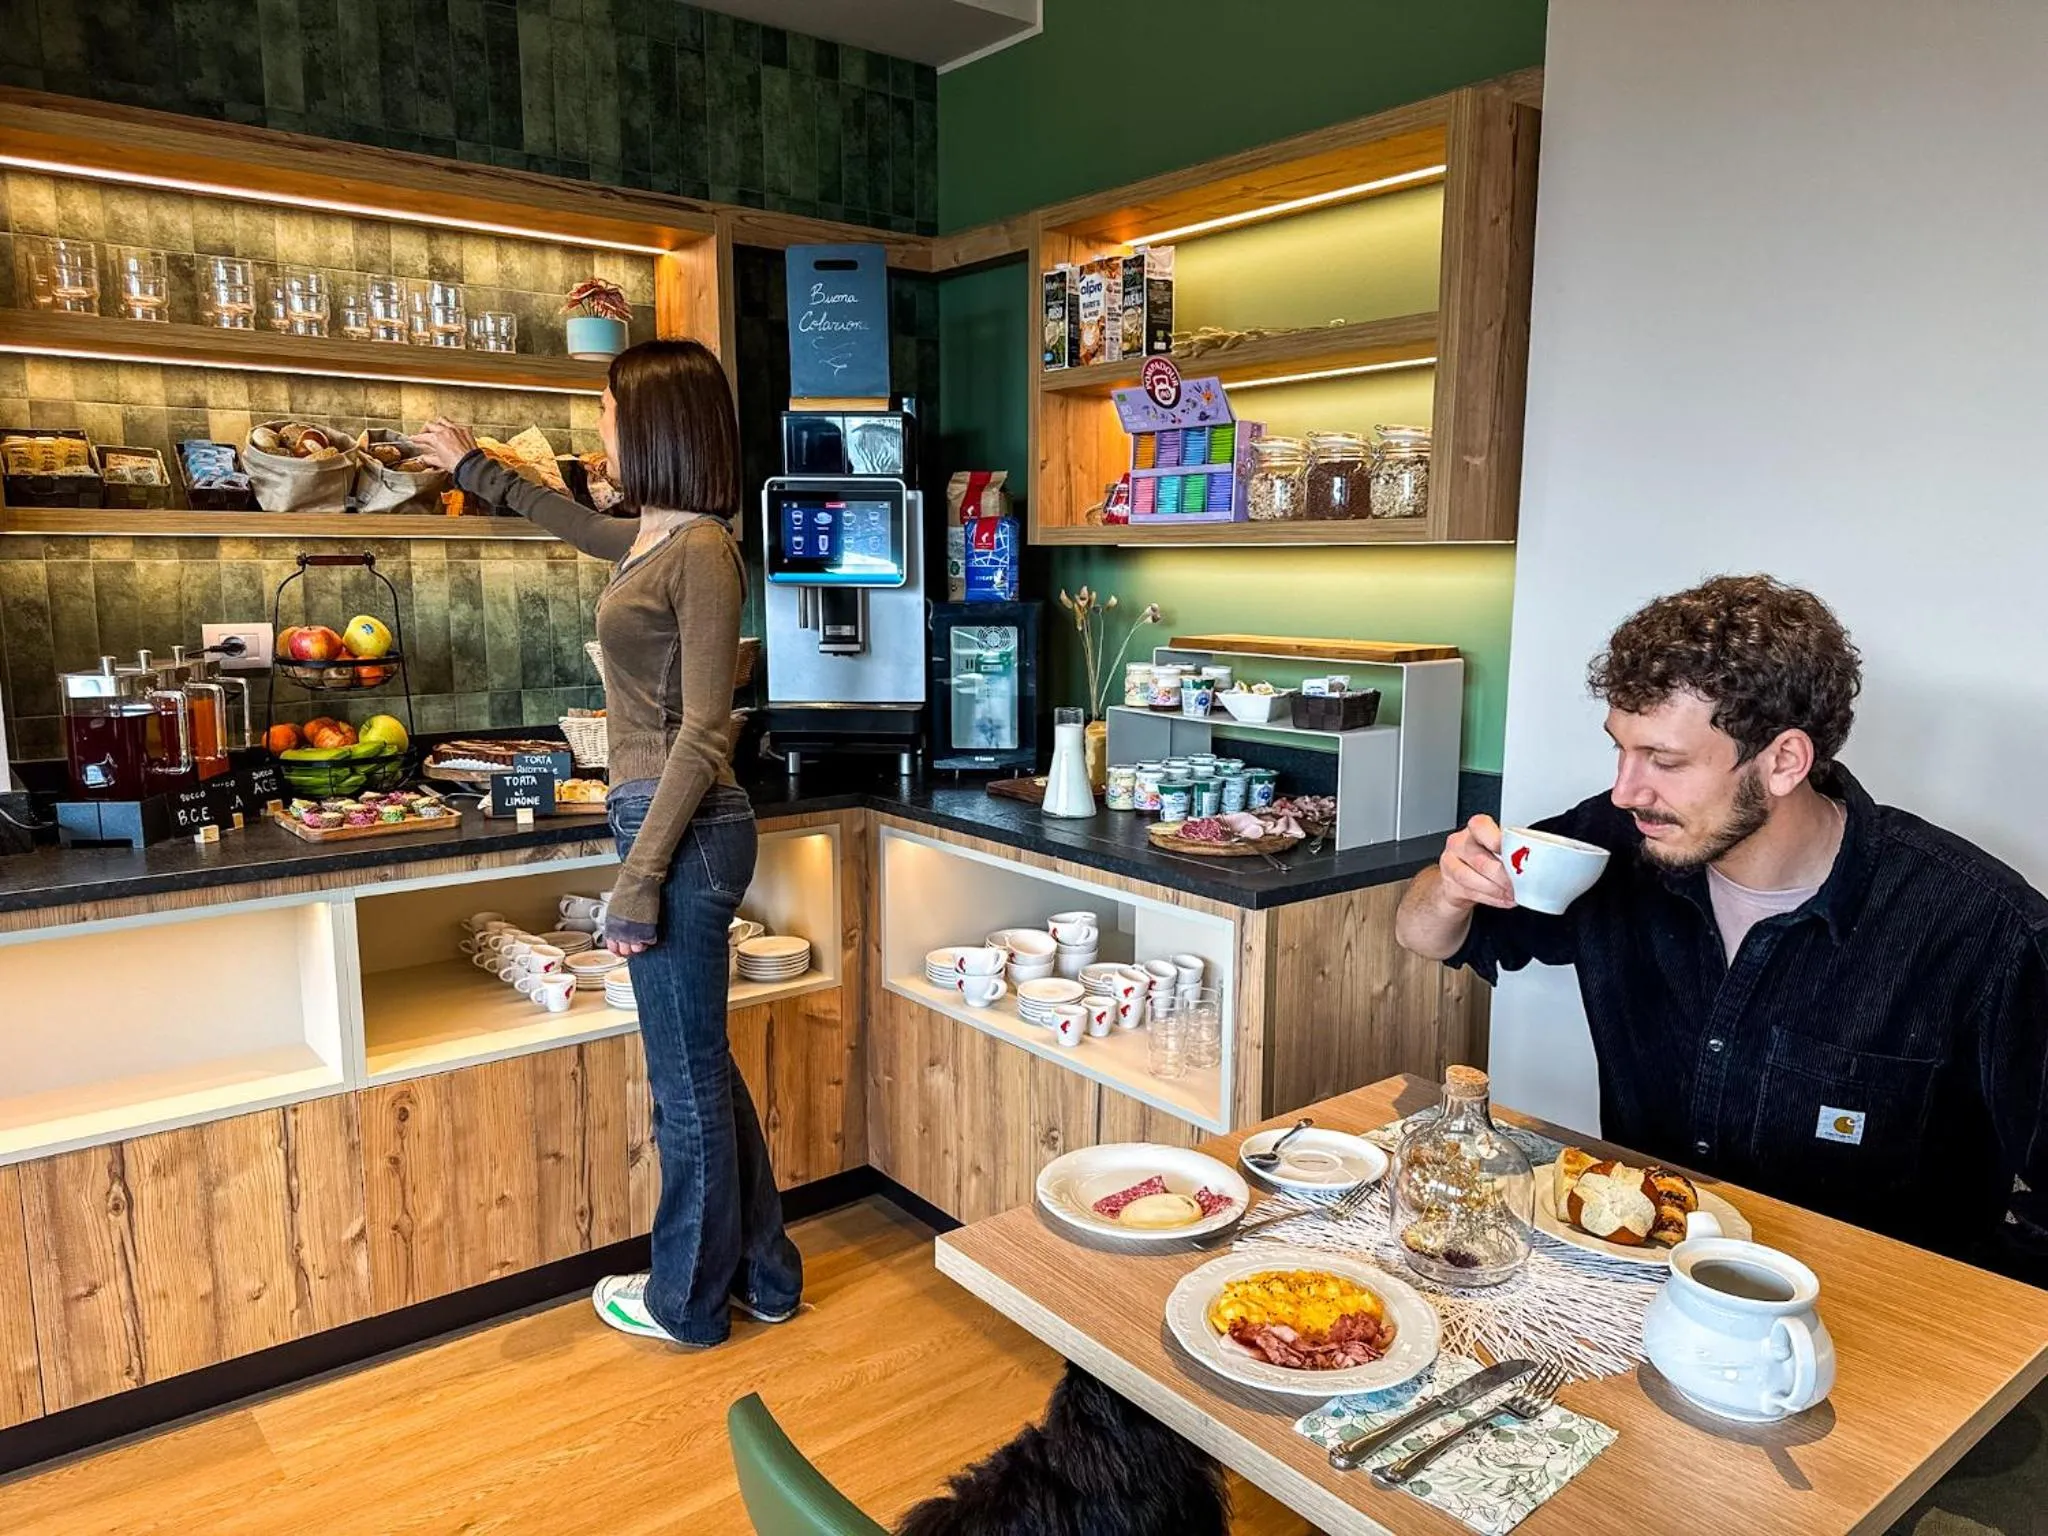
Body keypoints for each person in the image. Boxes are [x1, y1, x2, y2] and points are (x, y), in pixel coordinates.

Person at [1396, 574, 2048, 1283]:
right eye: (1621, 748)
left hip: (1864, 1323)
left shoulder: (1983, 929)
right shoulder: (1612, 844)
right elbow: (1427, 935)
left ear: (1784, 762)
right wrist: (1454, 883)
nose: (1626, 790)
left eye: (1665, 761)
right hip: (1644, 1283)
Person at [415, 340, 802, 1347]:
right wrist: (473, 469)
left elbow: (705, 733)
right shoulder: (651, 537)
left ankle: (685, 1305)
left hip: (687, 834)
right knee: (702, 1070)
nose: (599, 433)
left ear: (658, 427)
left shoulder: (706, 551)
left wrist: (635, 883)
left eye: (608, 416)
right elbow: (573, 518)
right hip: (662, 829)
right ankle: (765, 1274)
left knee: (683, 1094)